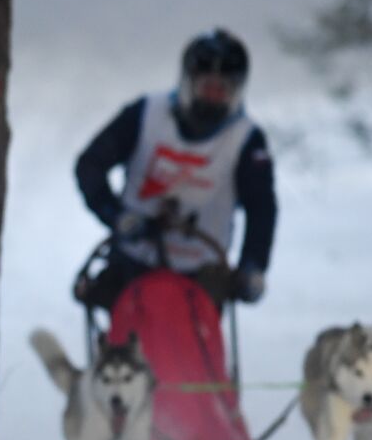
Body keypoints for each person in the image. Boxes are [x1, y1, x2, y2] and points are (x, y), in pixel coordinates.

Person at [74, 28, 277, 310]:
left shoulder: (246, 140)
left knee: (193, 353)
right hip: (133, 263)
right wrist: (116, 216)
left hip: (203, 276)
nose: (213, 97)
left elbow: (261, 208)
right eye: (207, 87)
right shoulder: (145, 114)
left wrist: (253, 265)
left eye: (222, 91)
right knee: (126, 347)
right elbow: (90, 165)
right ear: (188, 82)